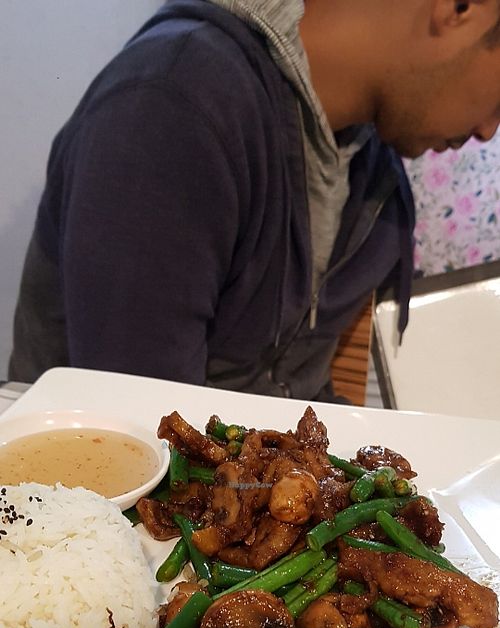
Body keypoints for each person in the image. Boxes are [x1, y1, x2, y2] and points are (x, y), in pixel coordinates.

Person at [8, 0, 500, 401]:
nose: (487, 131)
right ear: (461, 7)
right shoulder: (172, 110)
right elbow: (140, 435)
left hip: (261, 490)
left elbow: (296, 389)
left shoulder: (370, 172)